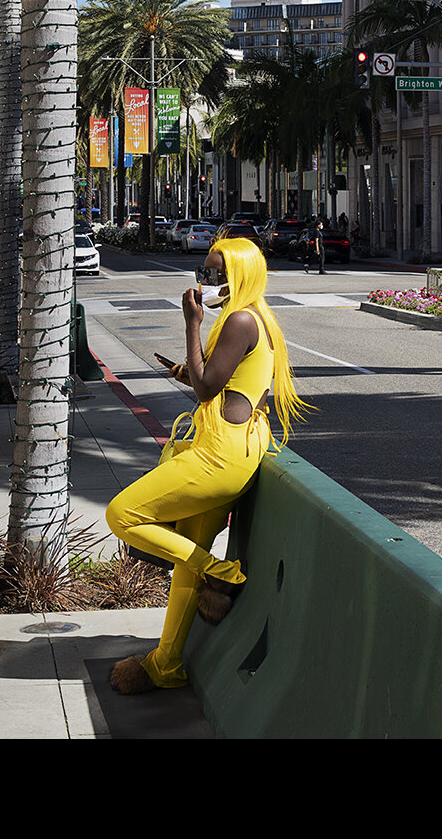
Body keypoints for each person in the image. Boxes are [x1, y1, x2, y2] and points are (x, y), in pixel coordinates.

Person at [105, 237, 313, 695]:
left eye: (217, 274)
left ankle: (217, 571)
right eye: (205, 270)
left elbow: (205, 391)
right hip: (235, 449)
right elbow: (228, 384)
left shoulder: (238, 320)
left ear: (239, 275)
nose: (207, 281)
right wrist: (186, 370)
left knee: (122, 514)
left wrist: (192, 324)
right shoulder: (259, 317)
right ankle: (166, 663)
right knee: (183, 560)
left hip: (217, 456)